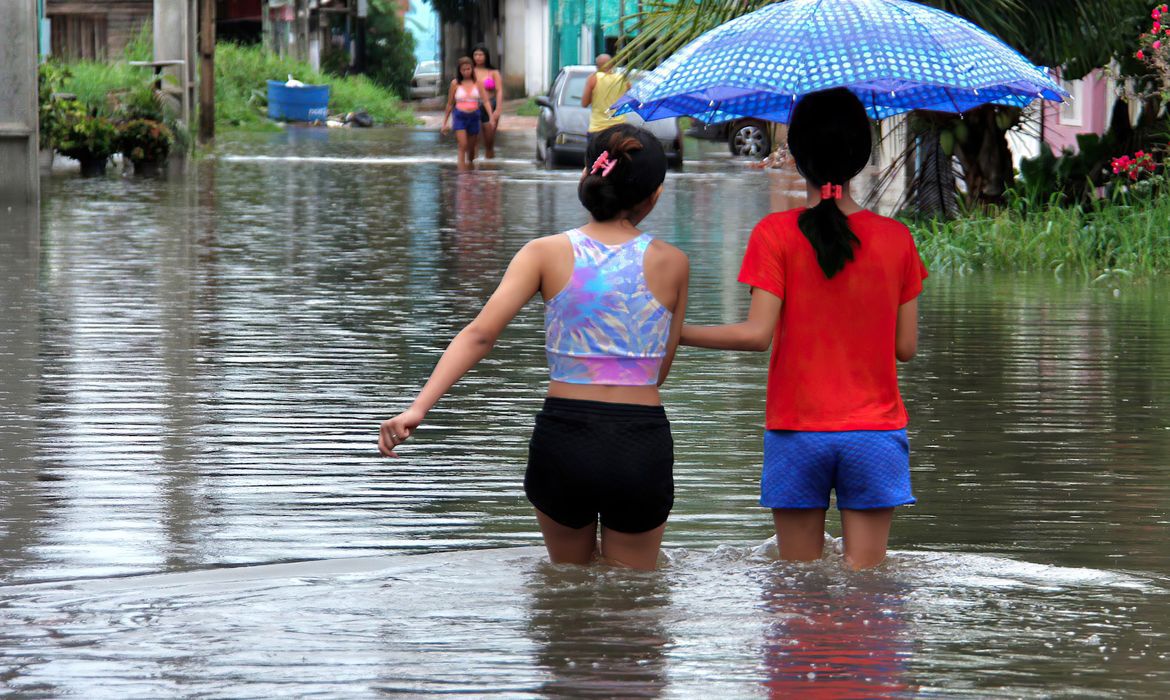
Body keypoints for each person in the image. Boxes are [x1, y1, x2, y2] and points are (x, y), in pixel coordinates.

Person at [380, 124, 690, 571]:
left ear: (588, 173)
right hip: (638, 443)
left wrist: (418, 409)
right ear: (655, 195)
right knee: (635, 603)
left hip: (565, 440)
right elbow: (659, 370)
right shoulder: (673, 263)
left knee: (564, 593)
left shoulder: (543, 253)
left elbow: (479, 335)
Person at [680, 88, 928, 570]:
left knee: (796, 586)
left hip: (797, 433)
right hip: (874, 435)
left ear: (796, 155)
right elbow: (906, 348)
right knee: (868, 588)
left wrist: (678, 332)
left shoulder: (774, 234)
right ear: (863, 155)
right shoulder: (897, 239)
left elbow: (755, 336)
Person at [441, 56, 494, 170]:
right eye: (463, 70)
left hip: (474, 116)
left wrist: (491, 117)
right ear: (459, 71)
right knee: (463, 145)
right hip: (460, 116)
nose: (466, 72)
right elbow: (450, 104)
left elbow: (485, 101)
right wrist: (445, 123)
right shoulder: (455, 84)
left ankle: (470, 170)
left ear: (472, 69)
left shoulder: (478, 83)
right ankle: (462, 174)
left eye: (468, 69)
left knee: (471, 150)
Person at [581, 54, 631, 135]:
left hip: (598, 128)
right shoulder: (623, 79)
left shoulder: (593, 79)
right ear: (613, 65)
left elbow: (584, 103)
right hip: (619, 128)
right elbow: (631, 98)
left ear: (597, 66)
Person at [472, 44, 503, 159]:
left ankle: (490, 167)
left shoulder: (493, 72)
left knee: (489, 141)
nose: (478, 57)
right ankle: (472, 167)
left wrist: (498, 109)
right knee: (473, 139)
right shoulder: (469, 71)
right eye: (476, 54)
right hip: (473, 105)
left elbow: (499, 91)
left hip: (490, 104)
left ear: (486, 56)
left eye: (481, 54)